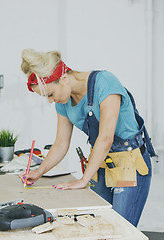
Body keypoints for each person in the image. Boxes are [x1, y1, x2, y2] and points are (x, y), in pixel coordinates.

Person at [19, 49, 156, 227]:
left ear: (64, 79)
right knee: (96, 227)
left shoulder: (105, 83)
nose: (51, 101)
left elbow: (106, 138)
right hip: (100, 165)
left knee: (120, 230)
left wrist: (83, 180)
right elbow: (61, 143)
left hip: (129, 164)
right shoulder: (64, 102)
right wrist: (39, 172)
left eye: (50, 94)